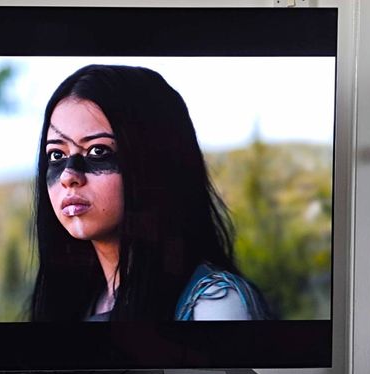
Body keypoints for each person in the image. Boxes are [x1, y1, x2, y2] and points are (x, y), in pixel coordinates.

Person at [30, 64, 270, 322]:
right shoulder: (74, 304)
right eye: (57, 155)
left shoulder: (213, 305)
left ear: (154, 161)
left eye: (98, 151)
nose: (68, 176)